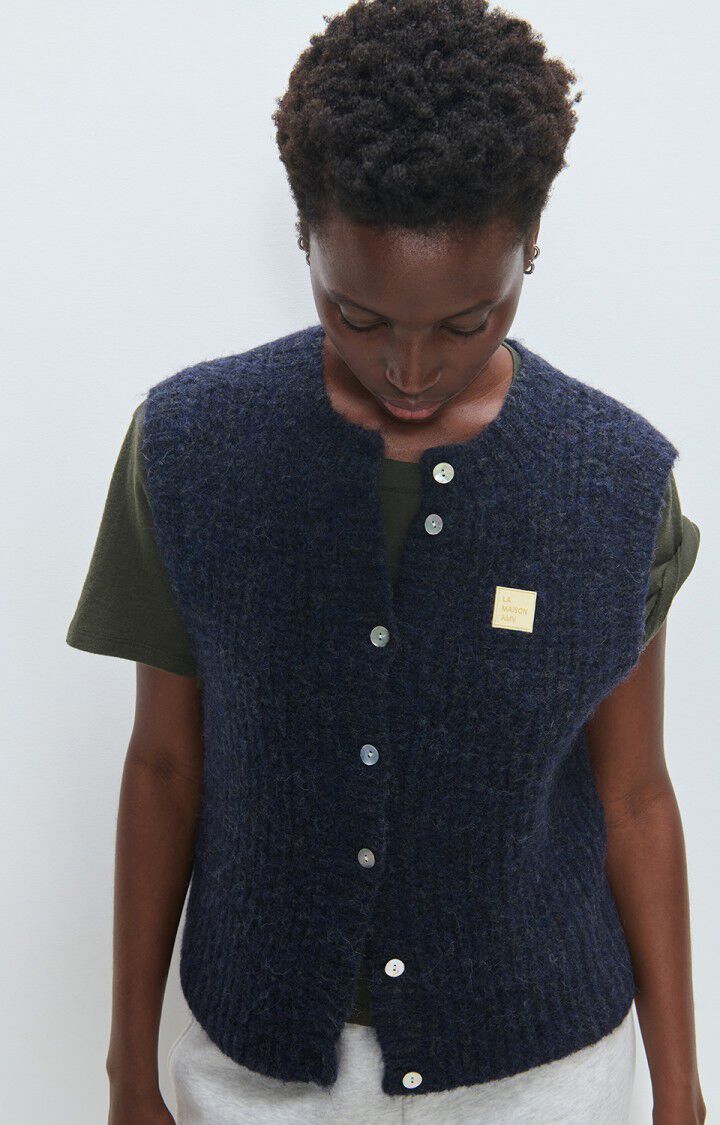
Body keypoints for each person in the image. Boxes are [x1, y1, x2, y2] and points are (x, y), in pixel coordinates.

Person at [66, 1, 706, 1122]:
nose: (410, 369)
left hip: (543, 1078)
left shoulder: (614, 481)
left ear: (531, 245)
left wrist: (682, 1093)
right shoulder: (192, 448)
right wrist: (127, 1073)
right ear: (305, 239)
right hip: (253, 1072)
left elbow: (637, 797)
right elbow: (164, 767)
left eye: (467, 321)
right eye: (356, 314)